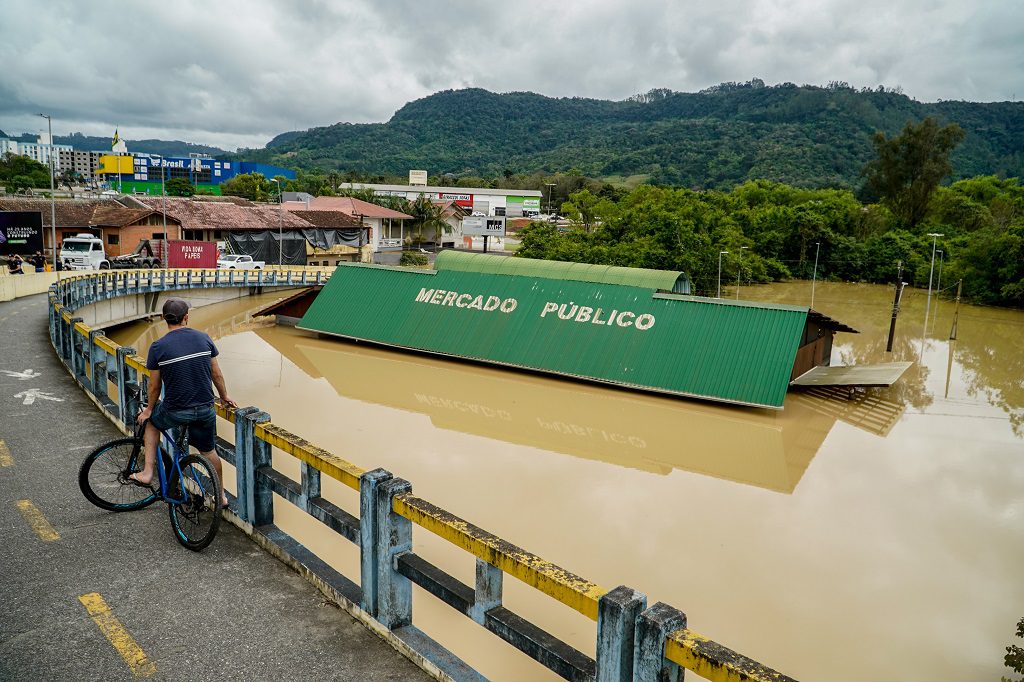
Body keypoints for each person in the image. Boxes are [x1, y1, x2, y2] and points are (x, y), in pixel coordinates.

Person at [130, 298, 237, 507]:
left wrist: (149, 410)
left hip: (176, 410)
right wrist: (224, 396)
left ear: (163, 318)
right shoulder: (204, 338)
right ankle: (221, 496)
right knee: (209, 451)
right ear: (186, 317)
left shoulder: (158, 347)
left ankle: (147, 472)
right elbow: (216, 374)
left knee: (151, 423)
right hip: (206, 408)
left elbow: (154, 387)